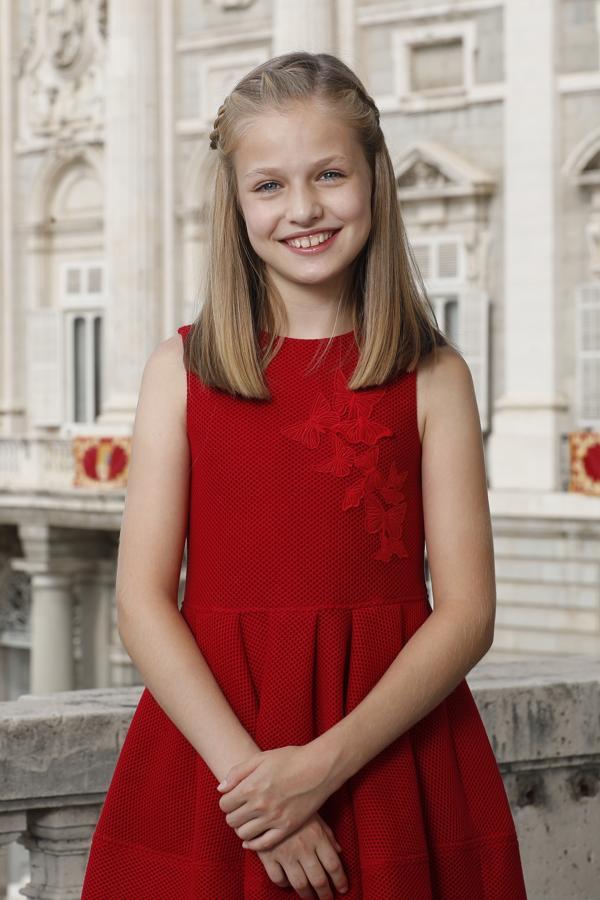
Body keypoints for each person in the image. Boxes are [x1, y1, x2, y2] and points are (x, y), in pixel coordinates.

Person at [81, 51, 528, 899]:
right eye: (269, 185)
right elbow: (141, 604)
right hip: (216, 760)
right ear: (236, 203)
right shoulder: (179, 371)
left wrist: (320, 768)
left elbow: (468, 613)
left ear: (374, 180)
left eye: (329, 174)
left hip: (388, 756)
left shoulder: (435, 376)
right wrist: (258, 791)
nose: (304, 209)